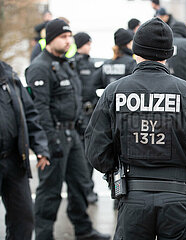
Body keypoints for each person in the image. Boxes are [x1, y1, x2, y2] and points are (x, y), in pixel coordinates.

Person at [85, 17, 186, 239]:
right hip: (179, 200)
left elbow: (96, 150)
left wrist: (117, 169)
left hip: (132, 199)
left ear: (136, 51)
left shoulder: (114, 92)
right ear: (169, 53)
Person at [25, 18, 110, 240]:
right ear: (50, 39)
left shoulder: (67, 64)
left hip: (73, 133)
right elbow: (39, 109)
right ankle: (44, 235)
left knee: (81, 183)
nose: (67, 41)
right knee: (50, 190)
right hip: (54, 135)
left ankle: (83, 230)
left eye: (69, 36)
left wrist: (83, 127)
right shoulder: (39, 67)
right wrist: (50, 141)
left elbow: (75, 100)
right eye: (63, 37)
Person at [0, 60, 50, 239]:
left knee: (23, 219)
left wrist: (40, 148)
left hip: (13, 160)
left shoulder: (9, 76)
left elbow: (29, 114)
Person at [73, 32, 99, 204]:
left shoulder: (92, 64)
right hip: (79, 114)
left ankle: (88, 188)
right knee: (80, 156)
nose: (90, 45)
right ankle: (83, 190)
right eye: (87, 43)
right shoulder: (73, 64)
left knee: (89, 153)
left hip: (91, 113)